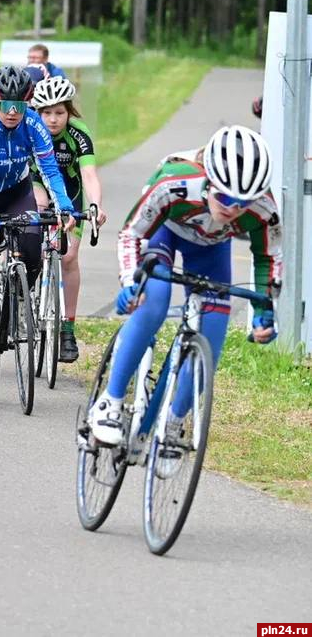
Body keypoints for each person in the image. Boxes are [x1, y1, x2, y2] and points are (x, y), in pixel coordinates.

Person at [87, 126, 281, 447]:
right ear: (208, 182)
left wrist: (264, 309)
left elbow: (269, 256)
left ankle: (174, 425)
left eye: (242, 202)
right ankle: (111, 401)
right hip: (165, 231)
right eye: (224, 197)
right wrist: (130, 281)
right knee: (155, 299)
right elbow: (132, 234)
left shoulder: (263, 208)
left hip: (210, 248)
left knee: (214, 333)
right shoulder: (175, 182)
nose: (232, 208)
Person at [0, 65, 75, 377]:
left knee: (33, 244)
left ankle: (18, 300)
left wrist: (64, 205)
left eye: (20, 106)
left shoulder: (34, 125)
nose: (13, 113)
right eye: (7, 106)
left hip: (16, 192)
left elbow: (50, 170)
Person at [29, 75, 106, 362]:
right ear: (38, 112)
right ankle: (23, 291)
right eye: (47, 112)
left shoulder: (78, 133)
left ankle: (67, 329)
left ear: (69, 111)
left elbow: (88, 175)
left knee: (69, 258)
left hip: (71, 195)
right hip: (38, 185)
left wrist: (96, 205)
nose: (53, 119)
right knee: (38, 207)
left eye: (59, 112)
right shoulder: (31, 129)